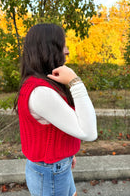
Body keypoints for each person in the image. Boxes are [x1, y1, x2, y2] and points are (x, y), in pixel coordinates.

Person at [15, 23, 97, 196]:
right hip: (51, 171)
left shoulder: (43, 84)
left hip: (57, 165)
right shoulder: (40, 92)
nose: (67, 51)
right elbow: (89, 133)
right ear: (48, 48)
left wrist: (68, 153)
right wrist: (76, 82)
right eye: (63, 45)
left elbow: (63, 122)